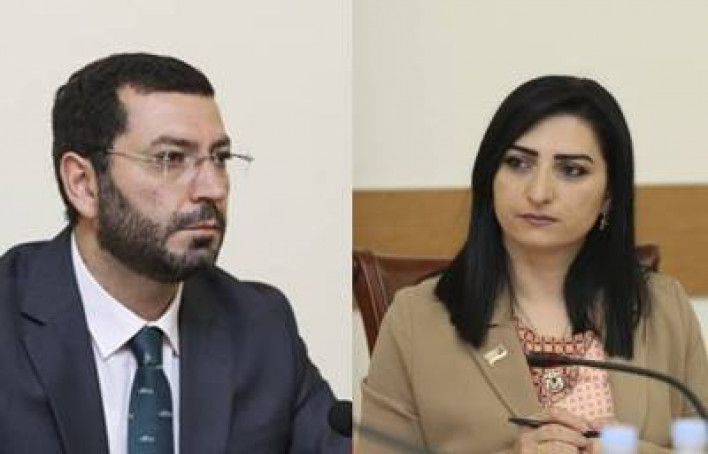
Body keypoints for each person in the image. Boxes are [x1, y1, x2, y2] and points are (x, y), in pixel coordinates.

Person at [0, 52, 349, 454]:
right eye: (170, 159)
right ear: (83, 183)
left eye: (219, 158)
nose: (213, 188)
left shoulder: (260, 327)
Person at [359, 76, 708, 453]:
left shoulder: (664, 307)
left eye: (571, 170)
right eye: (518, 163)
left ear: (609, 195)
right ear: (490, 177)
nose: (539, 193)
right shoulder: (415, 321)